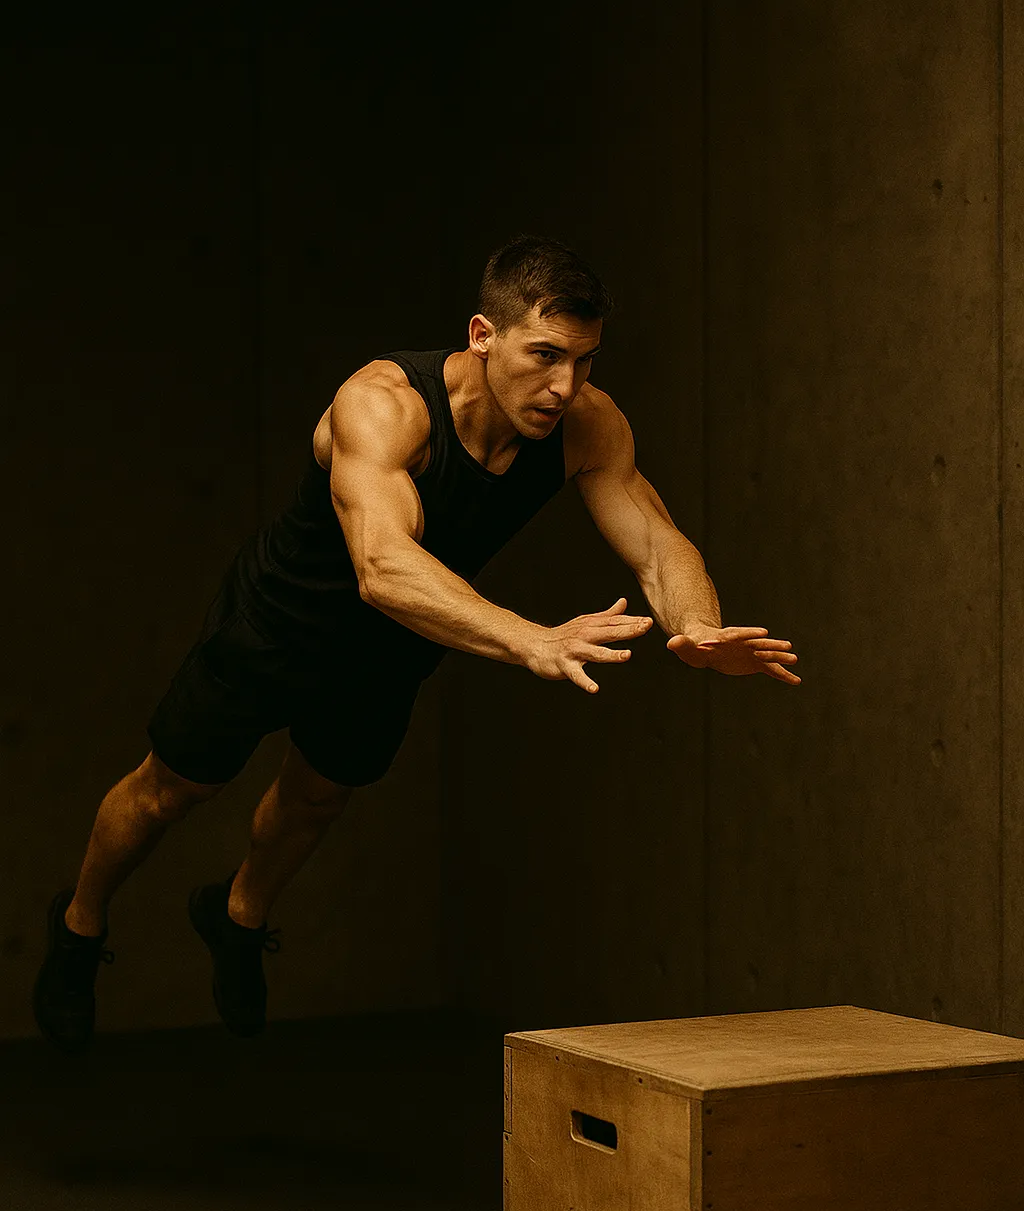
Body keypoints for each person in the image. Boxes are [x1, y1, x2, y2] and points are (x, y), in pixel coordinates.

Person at [32, 233, 800, 1055]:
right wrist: (531, 640)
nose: (564, 385)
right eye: (544, 356)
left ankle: (237, 915)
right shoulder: (384, 404)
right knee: (170, 791)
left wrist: (696, 624)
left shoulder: (586, 424)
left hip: (395, 647)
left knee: (316, 798)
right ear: (483, 335)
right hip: (279, 622)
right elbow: (383, 567)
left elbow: (655, 539)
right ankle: (78, 926)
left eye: (583, 361)